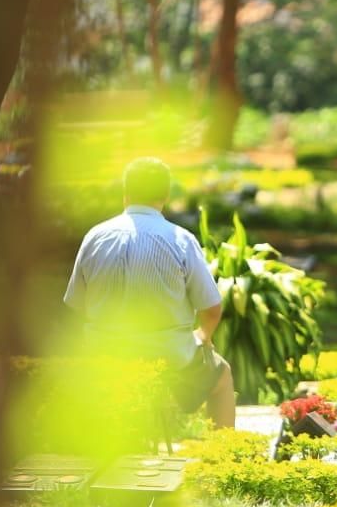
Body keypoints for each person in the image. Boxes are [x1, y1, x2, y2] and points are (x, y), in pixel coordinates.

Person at [64, 157, 235, 428]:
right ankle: (221, 457)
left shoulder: (95, 236)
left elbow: (75, 304)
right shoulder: (180, 239)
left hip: (104, 353)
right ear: (166, 195)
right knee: (222, 376)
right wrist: (203, 337)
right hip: (168, 356)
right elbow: (212, 309)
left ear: (125, 191)